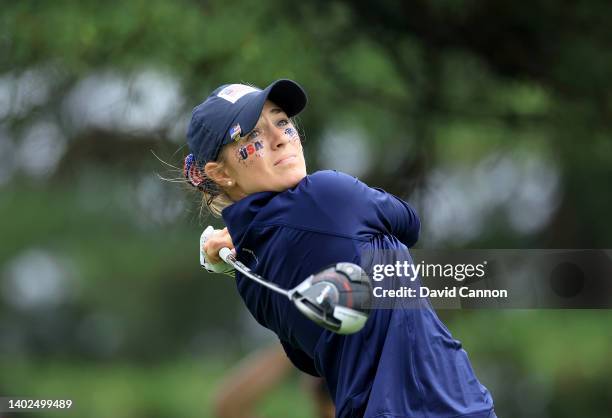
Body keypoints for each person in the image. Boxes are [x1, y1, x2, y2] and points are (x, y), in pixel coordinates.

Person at [183, 79, 496, 418]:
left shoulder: (249, 280)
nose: (278, 139)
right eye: (252, 135)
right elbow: (409, 223)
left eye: (282, 121)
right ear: (220, 172)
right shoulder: (327, 195)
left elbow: (307, 362)